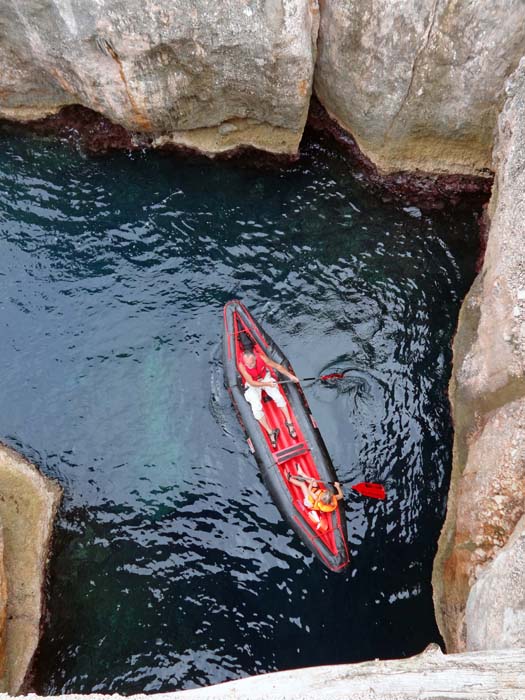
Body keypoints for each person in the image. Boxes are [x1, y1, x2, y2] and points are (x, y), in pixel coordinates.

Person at [239, 347, 299, 448]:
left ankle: (288, 421)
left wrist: (291, 376)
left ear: (255, 359)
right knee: (256, 409)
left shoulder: (262, 358)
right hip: (253, 384)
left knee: (279, 397)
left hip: (264, 377)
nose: (250, 365)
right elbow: (251, 382)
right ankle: (271, 432)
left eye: (252, 363)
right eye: (248, 364)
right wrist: (267, 384)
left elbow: (277, 366)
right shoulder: (242, 366)